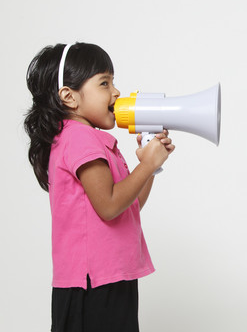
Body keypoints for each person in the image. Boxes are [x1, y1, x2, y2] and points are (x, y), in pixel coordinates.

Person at [24, 42, 175, 332]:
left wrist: (151, 166)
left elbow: (127, 206)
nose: (116, 92)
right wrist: (145, 166)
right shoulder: (80, 138)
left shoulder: (91, 140)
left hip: (109, 276)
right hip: (91, 284)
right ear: (69, 97)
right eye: (105, 82)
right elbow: (108, 206)